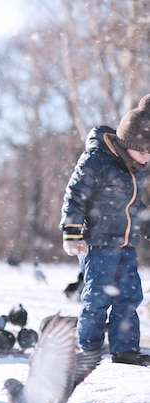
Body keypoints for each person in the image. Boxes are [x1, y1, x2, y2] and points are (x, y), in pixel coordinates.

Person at [60, 93, 150, 367]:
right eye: (144, 150)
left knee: (129, 296)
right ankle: (88, 349)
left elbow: (135, 205)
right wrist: (72, 231)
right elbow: (75, 195)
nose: (147, 156)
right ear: (129, 142)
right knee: (97, 298)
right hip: (97, 244)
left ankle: (125, 349)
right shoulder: (97, 161)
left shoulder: (137, 168)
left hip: (125, 244)